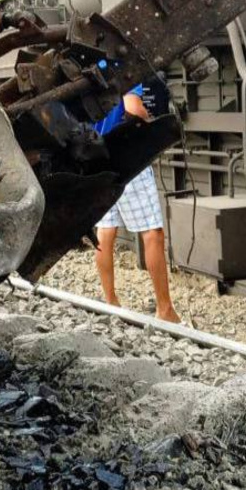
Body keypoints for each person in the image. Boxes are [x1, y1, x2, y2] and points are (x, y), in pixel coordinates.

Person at [94, 86, 181, 323]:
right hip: (127, 157)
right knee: (152, 232)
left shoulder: (88, 68)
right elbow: (134, 109)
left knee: (106, 231)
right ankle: (165, 310)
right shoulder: (121, 69)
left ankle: (110, 300)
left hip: (97, 157)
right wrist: (150, 119)